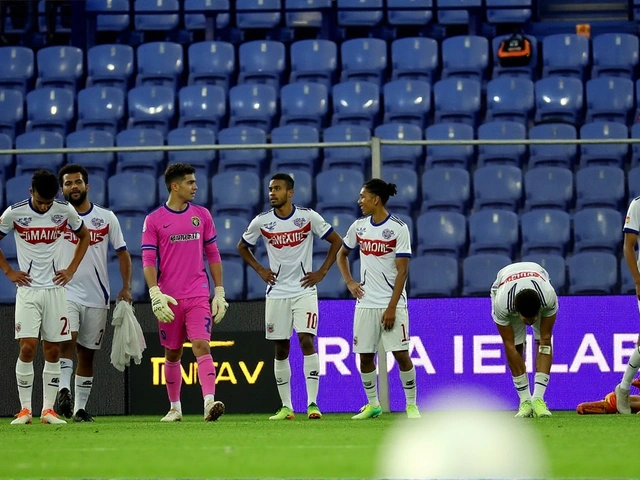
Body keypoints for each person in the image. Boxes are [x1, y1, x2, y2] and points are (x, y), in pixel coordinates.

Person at [237, 173, 342, 420]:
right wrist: (260, 269)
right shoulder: (262, 222)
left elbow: (336, 241)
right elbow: (242, 246)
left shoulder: (307, 217)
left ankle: (313, 404)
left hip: (304, 289)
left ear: (290, 193)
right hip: (277, 292)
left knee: (307, 341)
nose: (272, 193)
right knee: (281, 347)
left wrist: (323, 271)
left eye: (278, 189)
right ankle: (286, 407)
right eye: (271, 189)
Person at [0, 169, 90, 425]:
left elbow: (84, 236)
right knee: (27, 347)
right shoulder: (14, 212)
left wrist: (71, 269)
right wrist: (8, 271)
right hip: (28, 291)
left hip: (55, 290)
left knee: (52, 349)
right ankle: (25, 410)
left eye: (48, 202)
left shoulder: (64, 211)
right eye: (40, 201)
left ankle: (47, 410)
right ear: (31, 193)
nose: (44, 206)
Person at [141, 163, 228, 422]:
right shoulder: (154, 219)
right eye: (190, 182)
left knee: (201, 345)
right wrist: (155, 293)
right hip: (169, 298)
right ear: (174, 186)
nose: (195, 187)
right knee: (173, 353)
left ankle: (209, 403)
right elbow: (147, 259)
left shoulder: (202, 215)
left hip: (198, 294)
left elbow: (212, 253)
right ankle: (175, 408)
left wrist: (219, 291)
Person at [336, 179, 420, 420]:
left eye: (363, 197)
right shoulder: (358, 227)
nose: (359, 201)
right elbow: (342, 255)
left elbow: (403, 271)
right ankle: (373, 404)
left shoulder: (398, 228)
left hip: (393, 304)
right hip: (365, 303)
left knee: (401, 354)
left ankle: (412, 405)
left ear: (376, 199)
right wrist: (350, 282)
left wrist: (392, 307)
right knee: (364, 356)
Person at [55, 164, 133, 423]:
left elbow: (122, 252)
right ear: (62, 189)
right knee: (67, 339)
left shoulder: (106, 217)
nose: (73, 187)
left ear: (87, 186)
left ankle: (78, 409)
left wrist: (126, 287)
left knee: (87, 354)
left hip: (98, 296)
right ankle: (63, 390)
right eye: (68, 183)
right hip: (65, 290)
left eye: (77, 182)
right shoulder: (56, 216)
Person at [490, 261, 558, 418]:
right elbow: (509, 346)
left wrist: (543, 339)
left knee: (544, 341)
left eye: (533, 318)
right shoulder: (502, 303)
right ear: (516, 310)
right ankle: (525, 401)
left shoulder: (548, 297)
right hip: (504, 281)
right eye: (524, 318)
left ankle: (538, 399)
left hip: (538, 275)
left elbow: (546, 338)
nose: (529, 322)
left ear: (539, 309)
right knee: (515, 346)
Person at [614, 197, 640, 414]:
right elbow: (628, 246)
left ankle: (623, 389)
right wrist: (638, 281)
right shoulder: (638, 204)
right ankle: (623, 389)